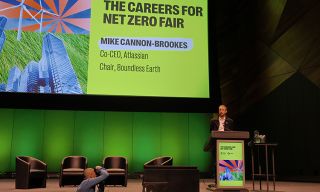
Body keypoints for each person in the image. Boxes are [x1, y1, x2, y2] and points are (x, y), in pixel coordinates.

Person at [205, 104, 234, 189]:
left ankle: (226, 179)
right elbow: (211, 132)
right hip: (215, 144)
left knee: (225, 162)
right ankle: (216, 181)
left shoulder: (230, 121)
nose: (220, 111)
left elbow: (231, 133)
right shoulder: (213, 121)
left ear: (226, 111)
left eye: (222, 110)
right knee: (215, 162)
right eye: (219, 110)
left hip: (226, 144)